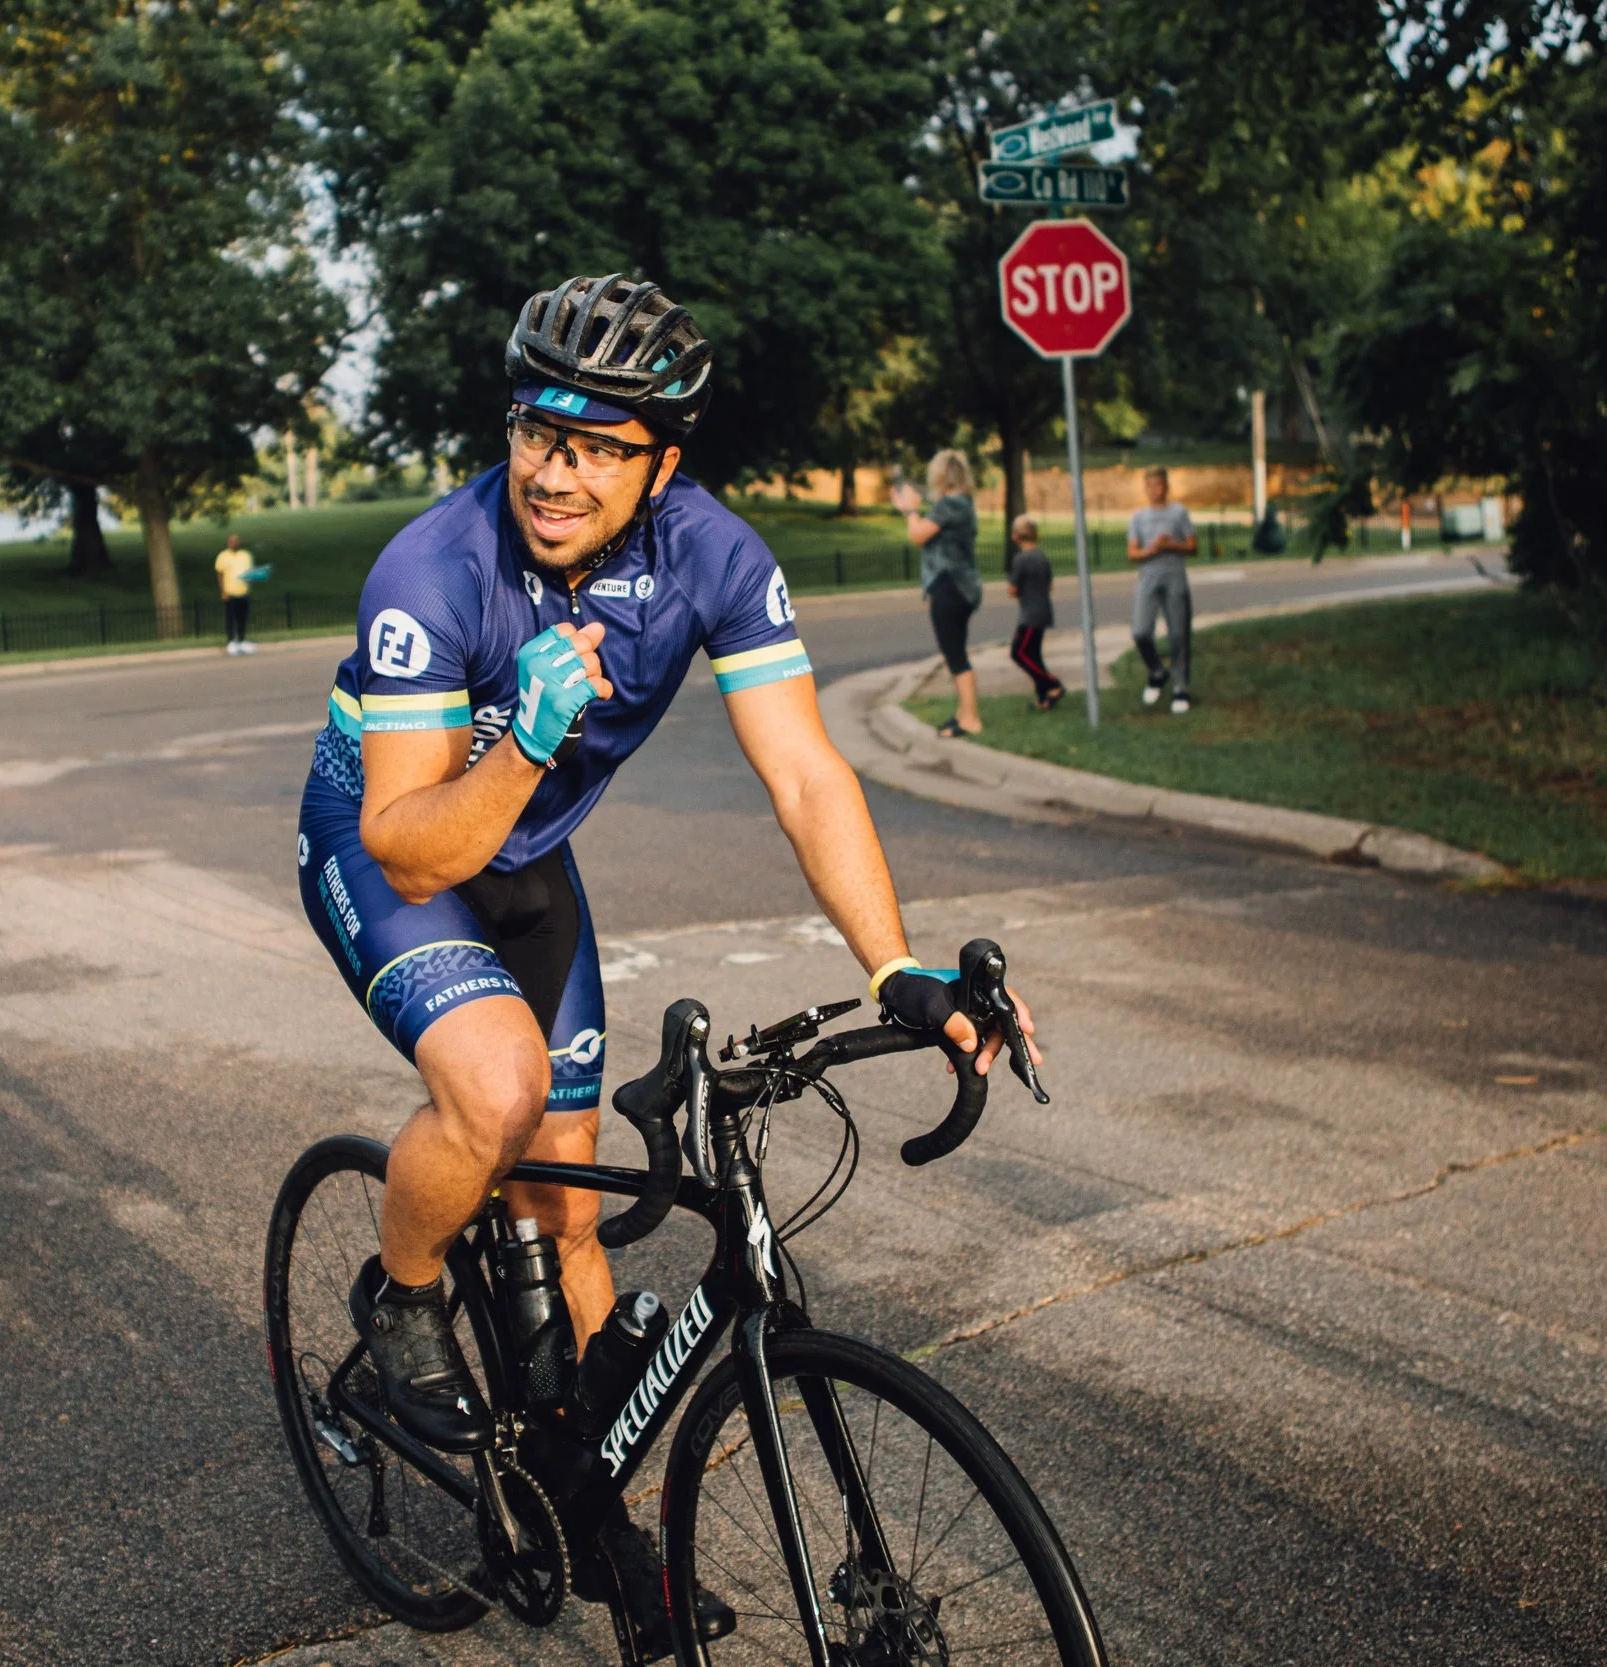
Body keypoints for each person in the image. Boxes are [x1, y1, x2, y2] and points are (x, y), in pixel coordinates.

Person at [294, 273, 1037, 1653]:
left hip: (526, 866)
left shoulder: (714, 557)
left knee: (569, 1214)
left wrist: (895, 967)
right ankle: (398, 1288)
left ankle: (596, 1521)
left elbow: (809, 772)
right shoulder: (433, 567)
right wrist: (521, 737)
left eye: (596, 443)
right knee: (496, 1087)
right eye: (535, 428)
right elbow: (408, 848)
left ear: (664, 459)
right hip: (385, 835)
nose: (553, 469)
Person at [889, 451, 983, 736]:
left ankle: (970, 719)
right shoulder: (961, 503)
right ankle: (963, 712)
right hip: (962, 586)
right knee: (957, 651)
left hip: (950, 586)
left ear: (940, 475)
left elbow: (918, 535)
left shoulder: (950, 505)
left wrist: (910, 510)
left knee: (954, 653)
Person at [1126, 466, 1197, 713]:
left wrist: (1171, 545)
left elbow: (1192, 547)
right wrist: (1151, 550)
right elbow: (1132, 552)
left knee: (1178, 635)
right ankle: (1156, 671)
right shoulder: (1138, 518)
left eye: (1159, 485)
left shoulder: (1179, 513)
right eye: (1150, 485)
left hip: (1175, 578)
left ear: (1166, 487)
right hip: (1148, 579)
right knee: (1140, 631)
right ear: (1145, 489)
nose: (1155, 490)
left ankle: (1180, 688)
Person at [1005, 515, 1065, 709]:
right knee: (1034, 654)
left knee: (1019, 653)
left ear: (1015, 537)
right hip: (1044, 611)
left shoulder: (1020, 559)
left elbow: (1013, 590)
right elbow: (1049, 585)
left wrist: (1019, 589)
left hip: (1029, 614)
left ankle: (1052, 683)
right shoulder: (1042, 557)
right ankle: (1044, 698)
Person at [216, 532, 257, 655]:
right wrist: (223, 591)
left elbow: (250, 571)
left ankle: (242, 640)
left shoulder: (245, 555)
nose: (234, 543)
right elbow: (220, 574)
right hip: (230, 592)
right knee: (230, 618)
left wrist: (251, 578)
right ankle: (231, 642)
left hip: (243, 592)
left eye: (236, 541)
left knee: (242, 618)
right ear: (228, 543)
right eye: (232, 541)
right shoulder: (223, 556)